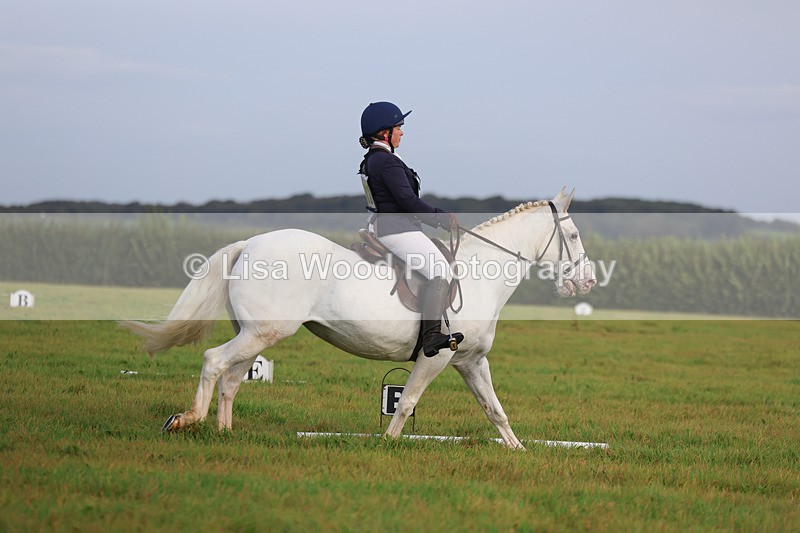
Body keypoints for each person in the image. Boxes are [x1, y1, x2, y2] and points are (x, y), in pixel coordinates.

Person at [358, 101, 464, 357]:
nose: (402, 132)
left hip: (389, 225)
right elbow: (408, 202)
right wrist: (440, 218)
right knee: (440, 270)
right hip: (396, 229)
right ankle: (431, 337)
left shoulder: (377, 158)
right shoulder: (387, 162)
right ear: (385, 133)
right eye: (398, 127)